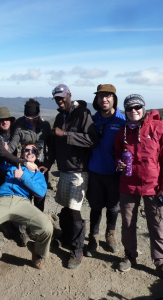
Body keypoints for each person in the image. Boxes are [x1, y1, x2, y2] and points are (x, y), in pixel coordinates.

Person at [0, 142, 53, 271]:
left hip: (22, 202)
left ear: (36, 155)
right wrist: (3, 152)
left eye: (33, 151)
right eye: (27, 150)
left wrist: (23, 176)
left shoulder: (38, 173)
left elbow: (41, 192)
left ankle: (38, 252)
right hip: (2, 201)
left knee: (47, 227)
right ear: (22, 153)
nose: (30, 152)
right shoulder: (11, 165)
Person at [40, 84, 98, 269]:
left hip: (79, 171)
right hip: (64, 170)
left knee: (74, 211)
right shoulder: (59, 116)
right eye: (56, 98)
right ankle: (66, 236)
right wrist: (47, 165)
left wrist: (65, 133)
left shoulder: (83, 114)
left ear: (69, 95)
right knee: (65, 206)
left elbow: (92, 140)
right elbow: (55, 146)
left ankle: (77, 249)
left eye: (62, 97)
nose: (59, 101)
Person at [114, 94, 163, 277]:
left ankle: (160, 261)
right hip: (128, 185)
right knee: (127, 223)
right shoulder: (122, 132)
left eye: (137, 107)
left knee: (157, 224)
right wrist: (118, 163)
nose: (133, 111)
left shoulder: (158, 128)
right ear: (125, 111)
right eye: (129, 108)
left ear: (143, 108)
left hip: (154, 185)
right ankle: (129, 255)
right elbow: (117, 153)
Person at [85, 84, 125, 257]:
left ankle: (111, 234)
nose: (104, 99)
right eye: (101, 96)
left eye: (108, 96)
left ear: (114, 98)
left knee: (113, 207)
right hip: (94, 171)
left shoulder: (122, 121)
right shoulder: (93, 120)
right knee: (95, 206)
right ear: (97, 99)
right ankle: (93, 236)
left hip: (115, 173)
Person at [0, 107, 38, 200]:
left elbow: (23, 119)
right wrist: (25, 163)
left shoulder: (13, 126)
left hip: (11, 167)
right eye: (1, 120)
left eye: (7, 119)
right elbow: (4, 155)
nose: (5, 122)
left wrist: (39, 119)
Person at [8, 98, 51, 212]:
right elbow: (11, 147)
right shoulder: (19, 126)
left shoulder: (45, 125)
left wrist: (48, 164)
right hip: (25, 166)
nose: (31, 121)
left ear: (38, 114)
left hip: (41, 167)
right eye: (28, 118)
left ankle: (38, 223)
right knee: (24, 196)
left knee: (40, 197)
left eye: (34, 118)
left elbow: (52, 146)